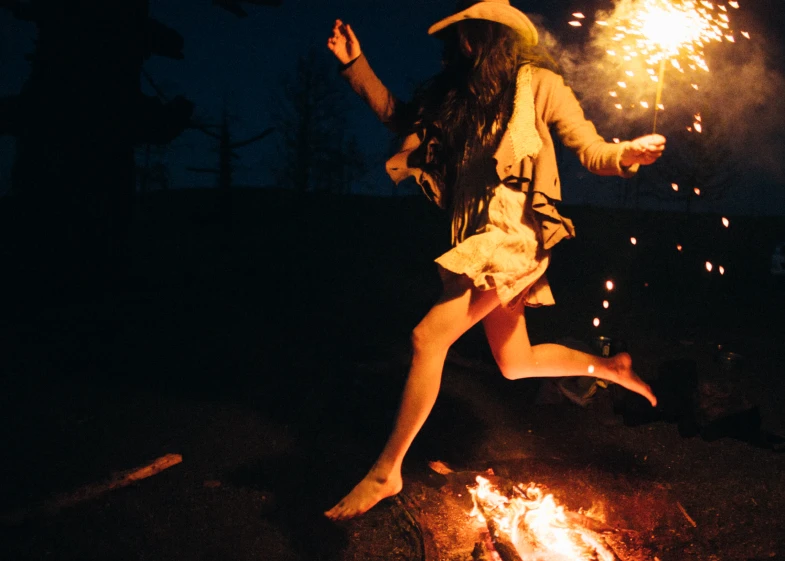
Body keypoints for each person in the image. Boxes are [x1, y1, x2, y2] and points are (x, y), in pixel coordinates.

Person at [325, 0, 665, 521]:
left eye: (462, 35)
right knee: (514, 363)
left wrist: (627, 154)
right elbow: (400, 119)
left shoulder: (539, 85)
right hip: (475, 236)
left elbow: (590, 148)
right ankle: (609, 367)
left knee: (427, 338)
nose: (452, 46)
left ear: (485, 38)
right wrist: (356, 64)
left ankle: (386, 472)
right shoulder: (456, 99)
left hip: (512, 234)